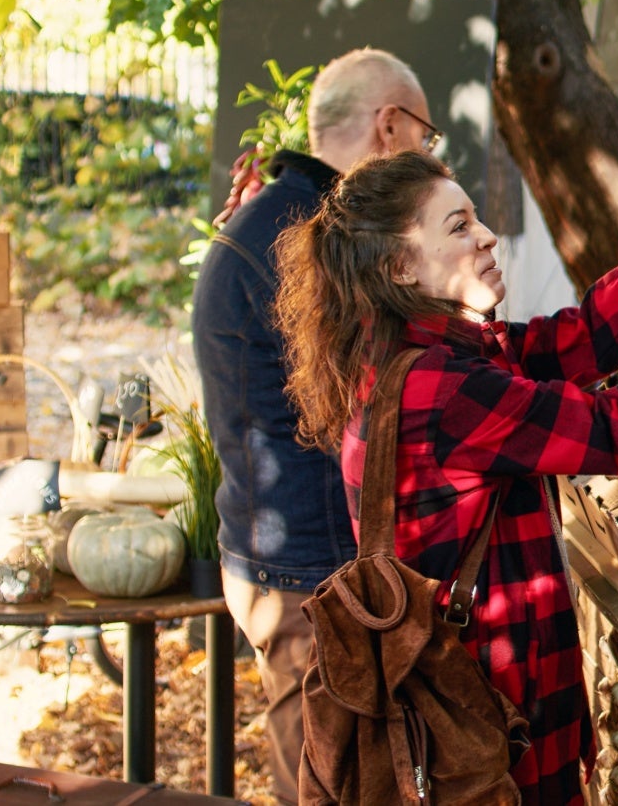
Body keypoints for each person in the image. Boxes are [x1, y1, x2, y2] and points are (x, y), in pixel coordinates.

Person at [270, 150, 618, 805]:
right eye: (459, 226)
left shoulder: (420, 355)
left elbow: (575, 342)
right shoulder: (441, 389)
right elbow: (614, 430)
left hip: (481, 705)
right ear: (401, 266)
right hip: (494, 714)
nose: (488, 235)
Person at [191, 47, 441, 805]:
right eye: (428, 140)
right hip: (309, 574)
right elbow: (390, 386)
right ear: (389, 126)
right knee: (330, 784)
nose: (430, 159)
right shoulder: (313, 234)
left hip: (286, 560)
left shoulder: (281, 214)